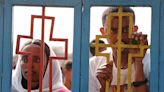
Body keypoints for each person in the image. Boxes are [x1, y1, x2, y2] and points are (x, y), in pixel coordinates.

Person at [89, 7, 150, 92]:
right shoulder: (94, 65)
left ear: (134, 30)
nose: (119, 37)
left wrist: (138, 63)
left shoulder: (150, 63)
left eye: (126, 30)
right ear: (103, 32)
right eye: (113, 30)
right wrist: (103, 88)